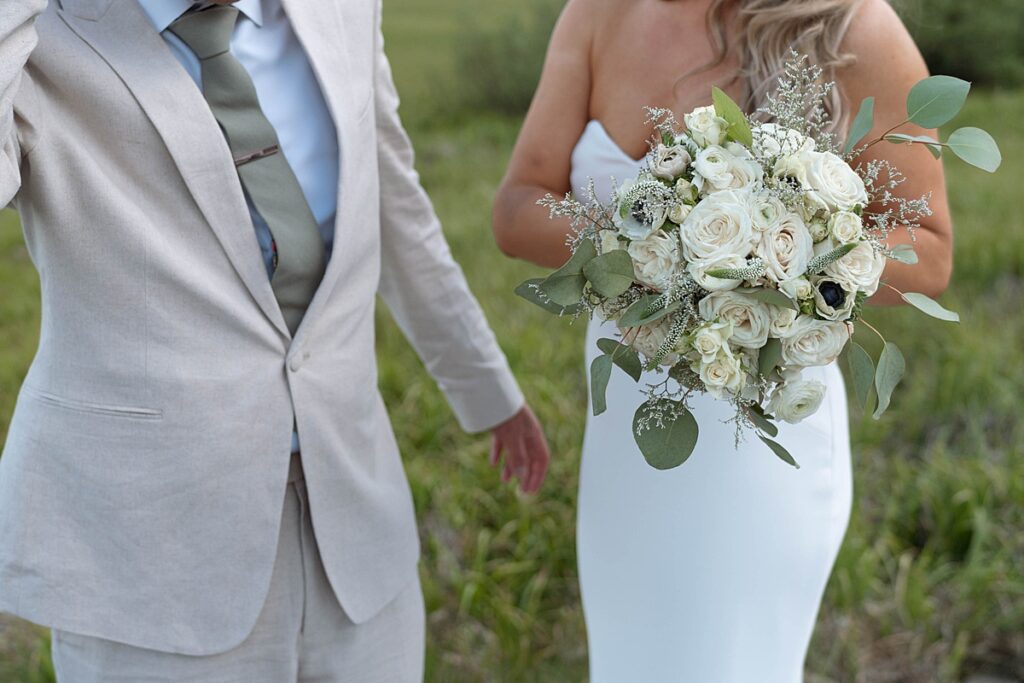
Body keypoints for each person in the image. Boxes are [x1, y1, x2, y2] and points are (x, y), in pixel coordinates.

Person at [0, 0, 551, 680]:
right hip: (148, 562)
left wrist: (483, 383)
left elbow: (391, 198)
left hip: (351, 524)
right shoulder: (40, 36)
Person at [492, 0, 951, 680]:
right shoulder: (597, 13)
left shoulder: (854, 27)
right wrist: (662, 251)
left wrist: (777, 258)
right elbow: (517, 205)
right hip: (628, 428)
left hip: (764, 442)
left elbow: (931, 250)